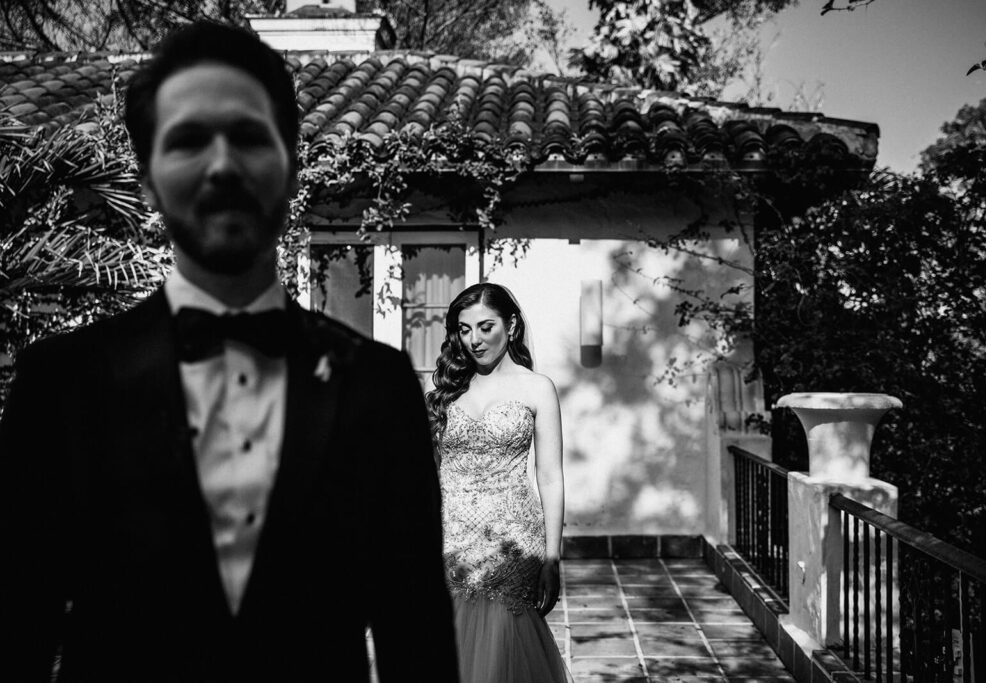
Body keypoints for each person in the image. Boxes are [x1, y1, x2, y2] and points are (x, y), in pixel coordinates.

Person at [0, 22, 458, 682]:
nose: (221, 164)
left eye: (247, 136)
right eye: (187, 140)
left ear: (291, 164)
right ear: (150, 182)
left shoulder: (380, 387)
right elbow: (17, 627)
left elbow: (416, 638)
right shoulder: (60, 385)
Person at [426, 283, 573, 682]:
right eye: (464, 329)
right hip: (449, 541)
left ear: (510, 326)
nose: (474, 339)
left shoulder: (537, 388)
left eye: (485, 326)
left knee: (503, 659)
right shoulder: (443, 393)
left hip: (511, 545)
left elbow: (550, 477)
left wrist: (551, 557)